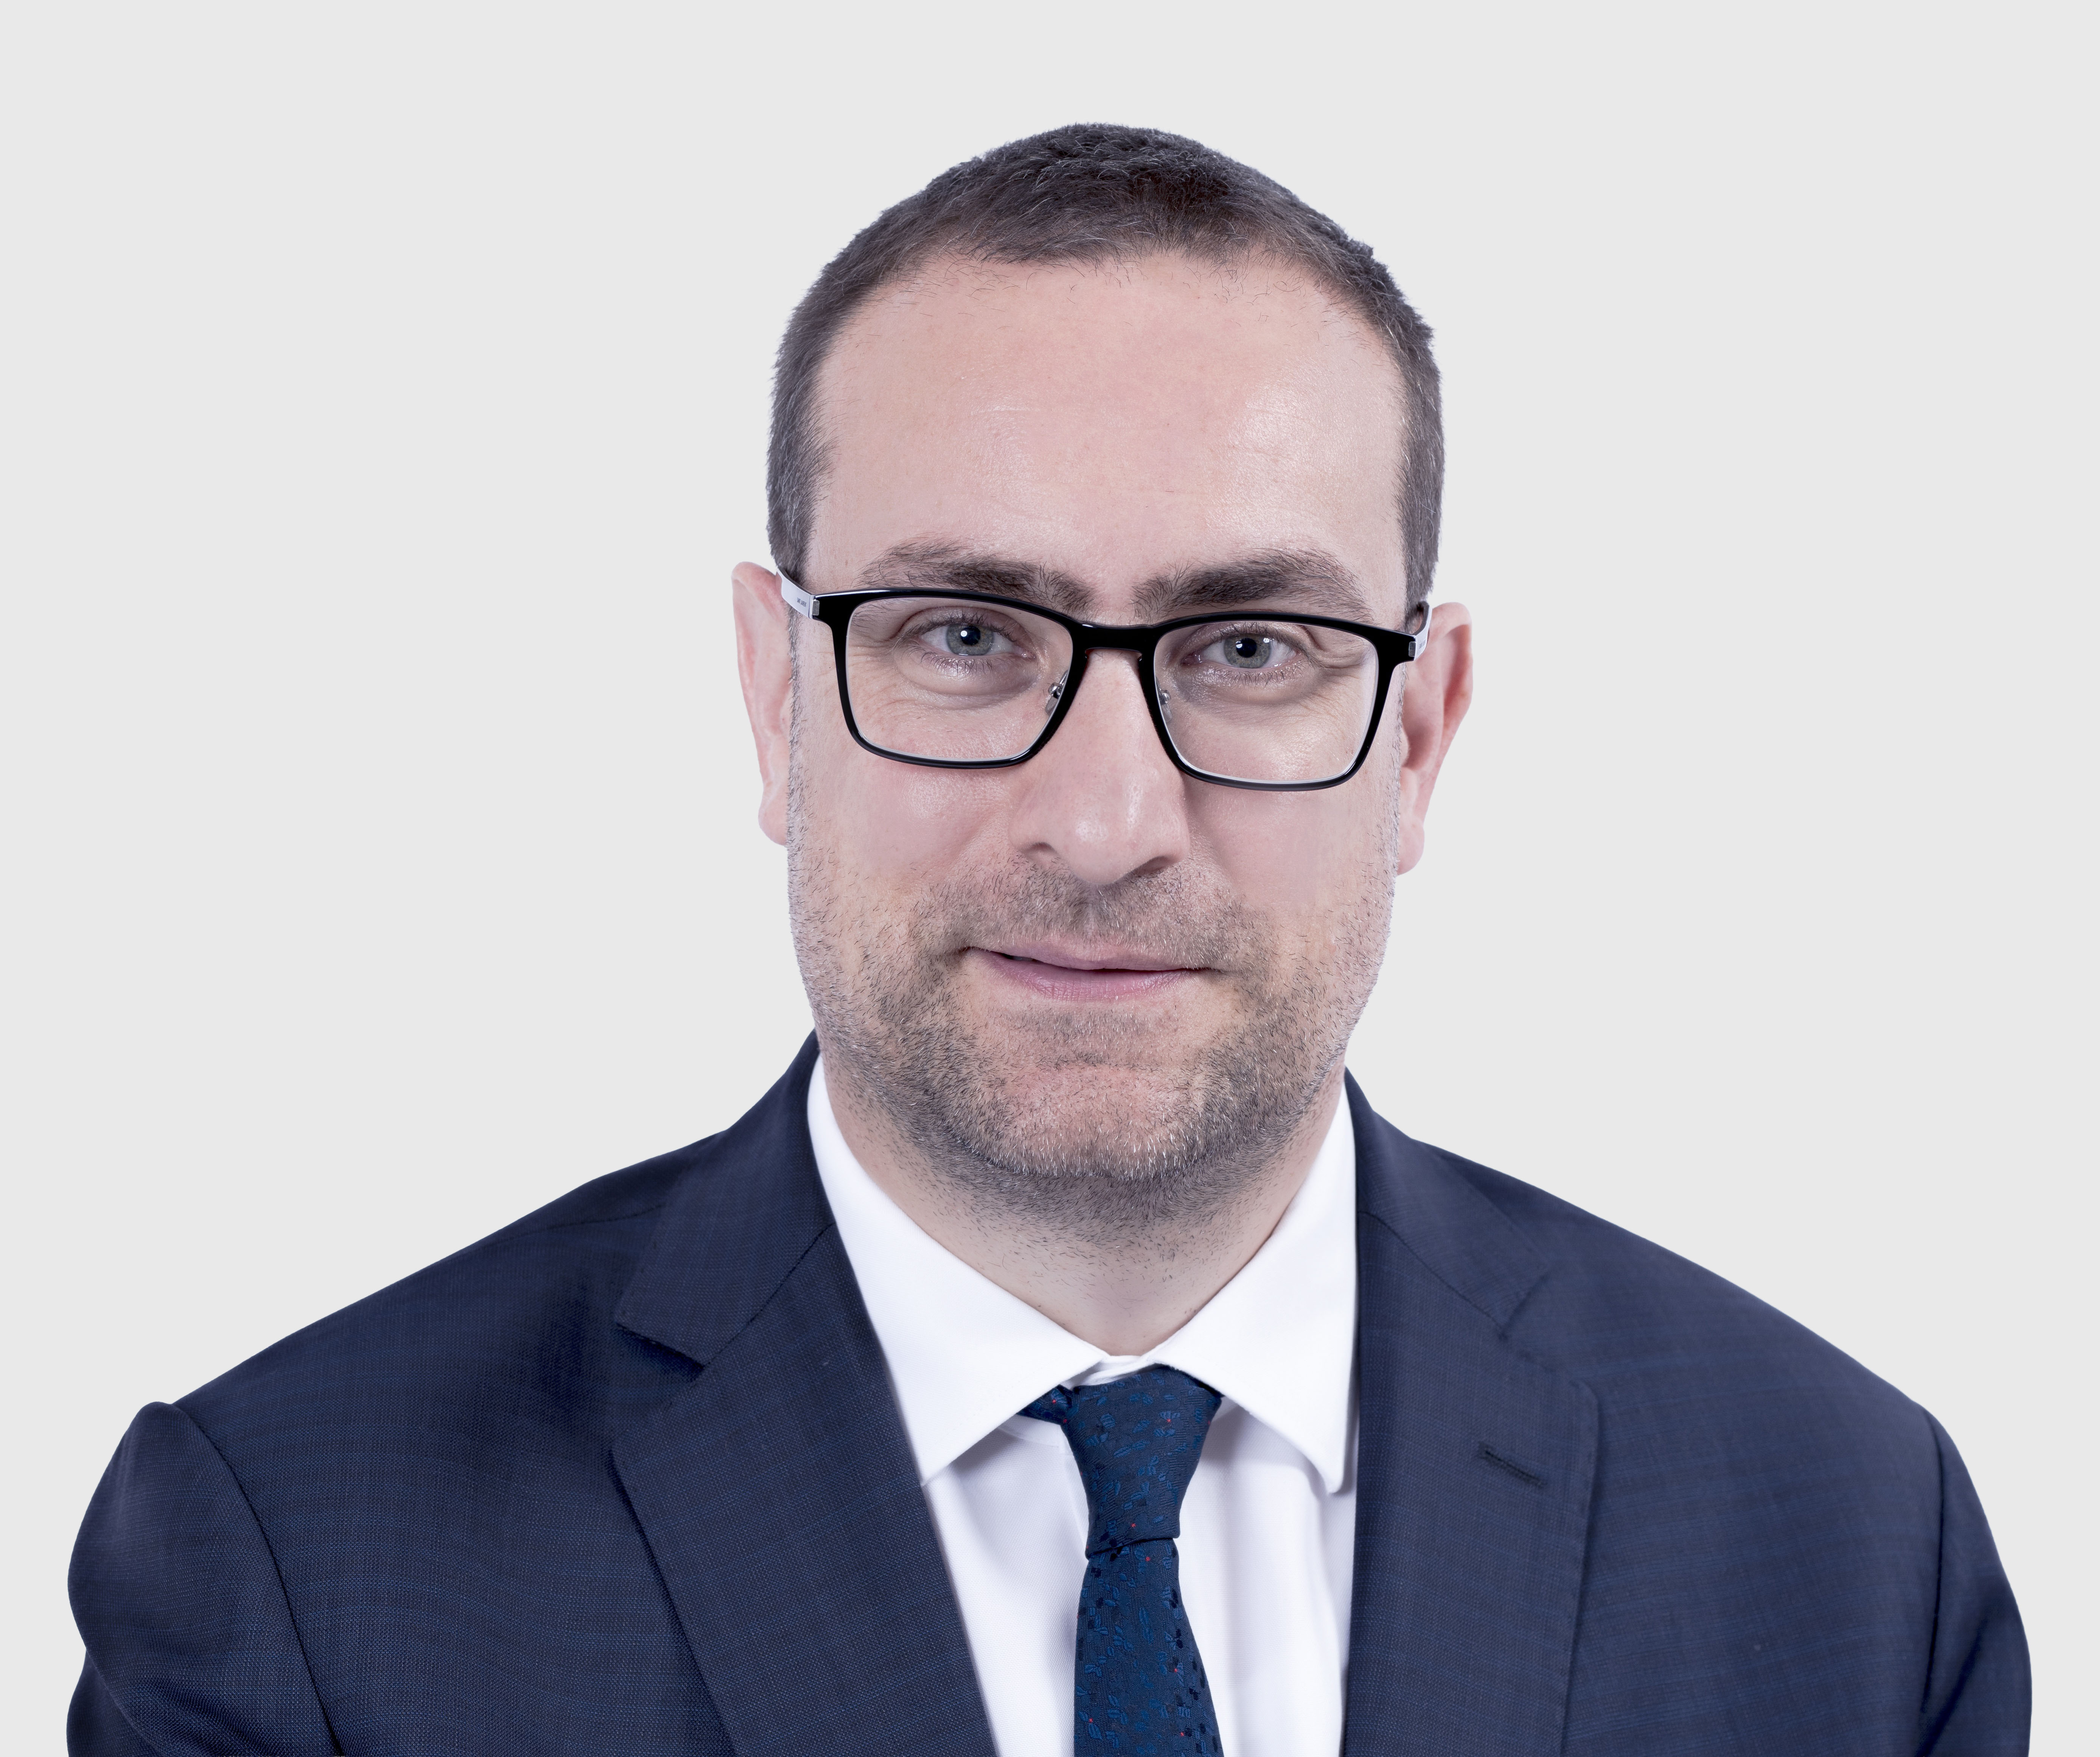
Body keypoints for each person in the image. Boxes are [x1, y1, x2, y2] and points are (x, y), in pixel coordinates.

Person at [67, 123, 2028, 1756]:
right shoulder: (303, 1564)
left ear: (1420, 736)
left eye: (1250, 646)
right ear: (775, 699)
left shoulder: (1851, 1550)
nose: (1103, 822)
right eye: (966, 636)